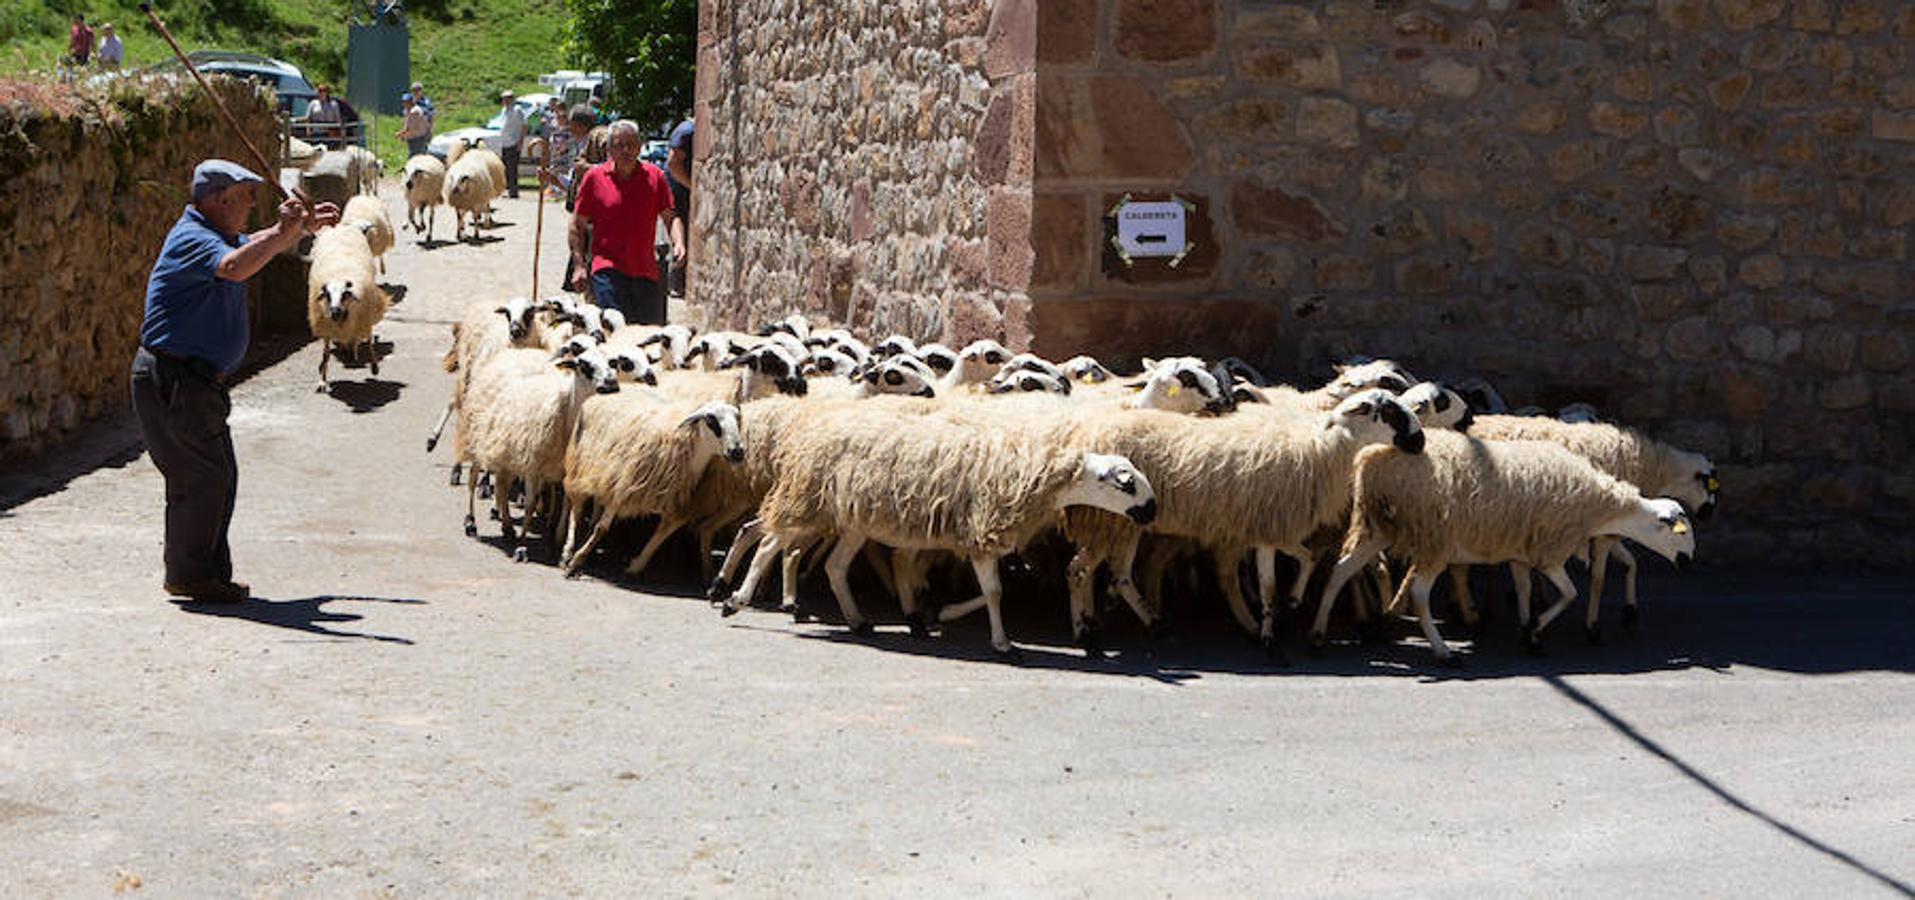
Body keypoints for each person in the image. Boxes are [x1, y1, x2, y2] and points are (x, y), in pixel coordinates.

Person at [131, 160, 339, 603]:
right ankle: (191, 575)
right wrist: (286, 233)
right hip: (176, 379)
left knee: (214, 476)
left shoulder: (215, 234)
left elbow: (250, 244)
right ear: (220, 199)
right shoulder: (194, 240)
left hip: (190, 381)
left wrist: (297, 229)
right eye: (245, 197)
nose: (250, 206)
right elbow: (233, 266)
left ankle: (204, 572)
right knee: (204, 478)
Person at [566, 120, 682, 324]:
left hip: (645, 271)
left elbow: (671, 217)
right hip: (606, 270)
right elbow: (577, 224)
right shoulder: (594, 178)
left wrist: (679, 243)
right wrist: (578, 265)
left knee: (644, 334)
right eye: (619, 145)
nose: (625, 150)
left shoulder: (655, 177)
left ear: (640, 146)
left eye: (631, 144)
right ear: (609, 149)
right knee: (614, 329)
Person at [664, 116, 694, 298]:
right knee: (679, 233)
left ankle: (678, 282)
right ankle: (676, 283)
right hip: (678, 190)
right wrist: (691, 186)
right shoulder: (686, 131)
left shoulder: (687, 130)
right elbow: (673, 163)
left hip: (681, 188)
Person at [496, 89, 526, 199]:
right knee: (505, 168)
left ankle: (514, 192)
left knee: (512, 168)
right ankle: (507, 188)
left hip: (513, 142)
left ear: (511, 98)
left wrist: (520, 142)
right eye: (503, 98)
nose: (504, 100)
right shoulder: (504, 110)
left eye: (506, 98)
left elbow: (524, 126)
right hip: (504, 142)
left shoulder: (517, 110)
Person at [394, 92, 431, 158]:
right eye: (404, 102)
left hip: (418, 138)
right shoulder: (407, 111)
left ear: (411, 101)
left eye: (407, 102)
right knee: (414, 155)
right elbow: (405, 123)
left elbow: (409, 127)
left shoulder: (415, 111)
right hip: (412, 137)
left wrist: (399, 134)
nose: (405, 104)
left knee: (417, 155)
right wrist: (404, 135)